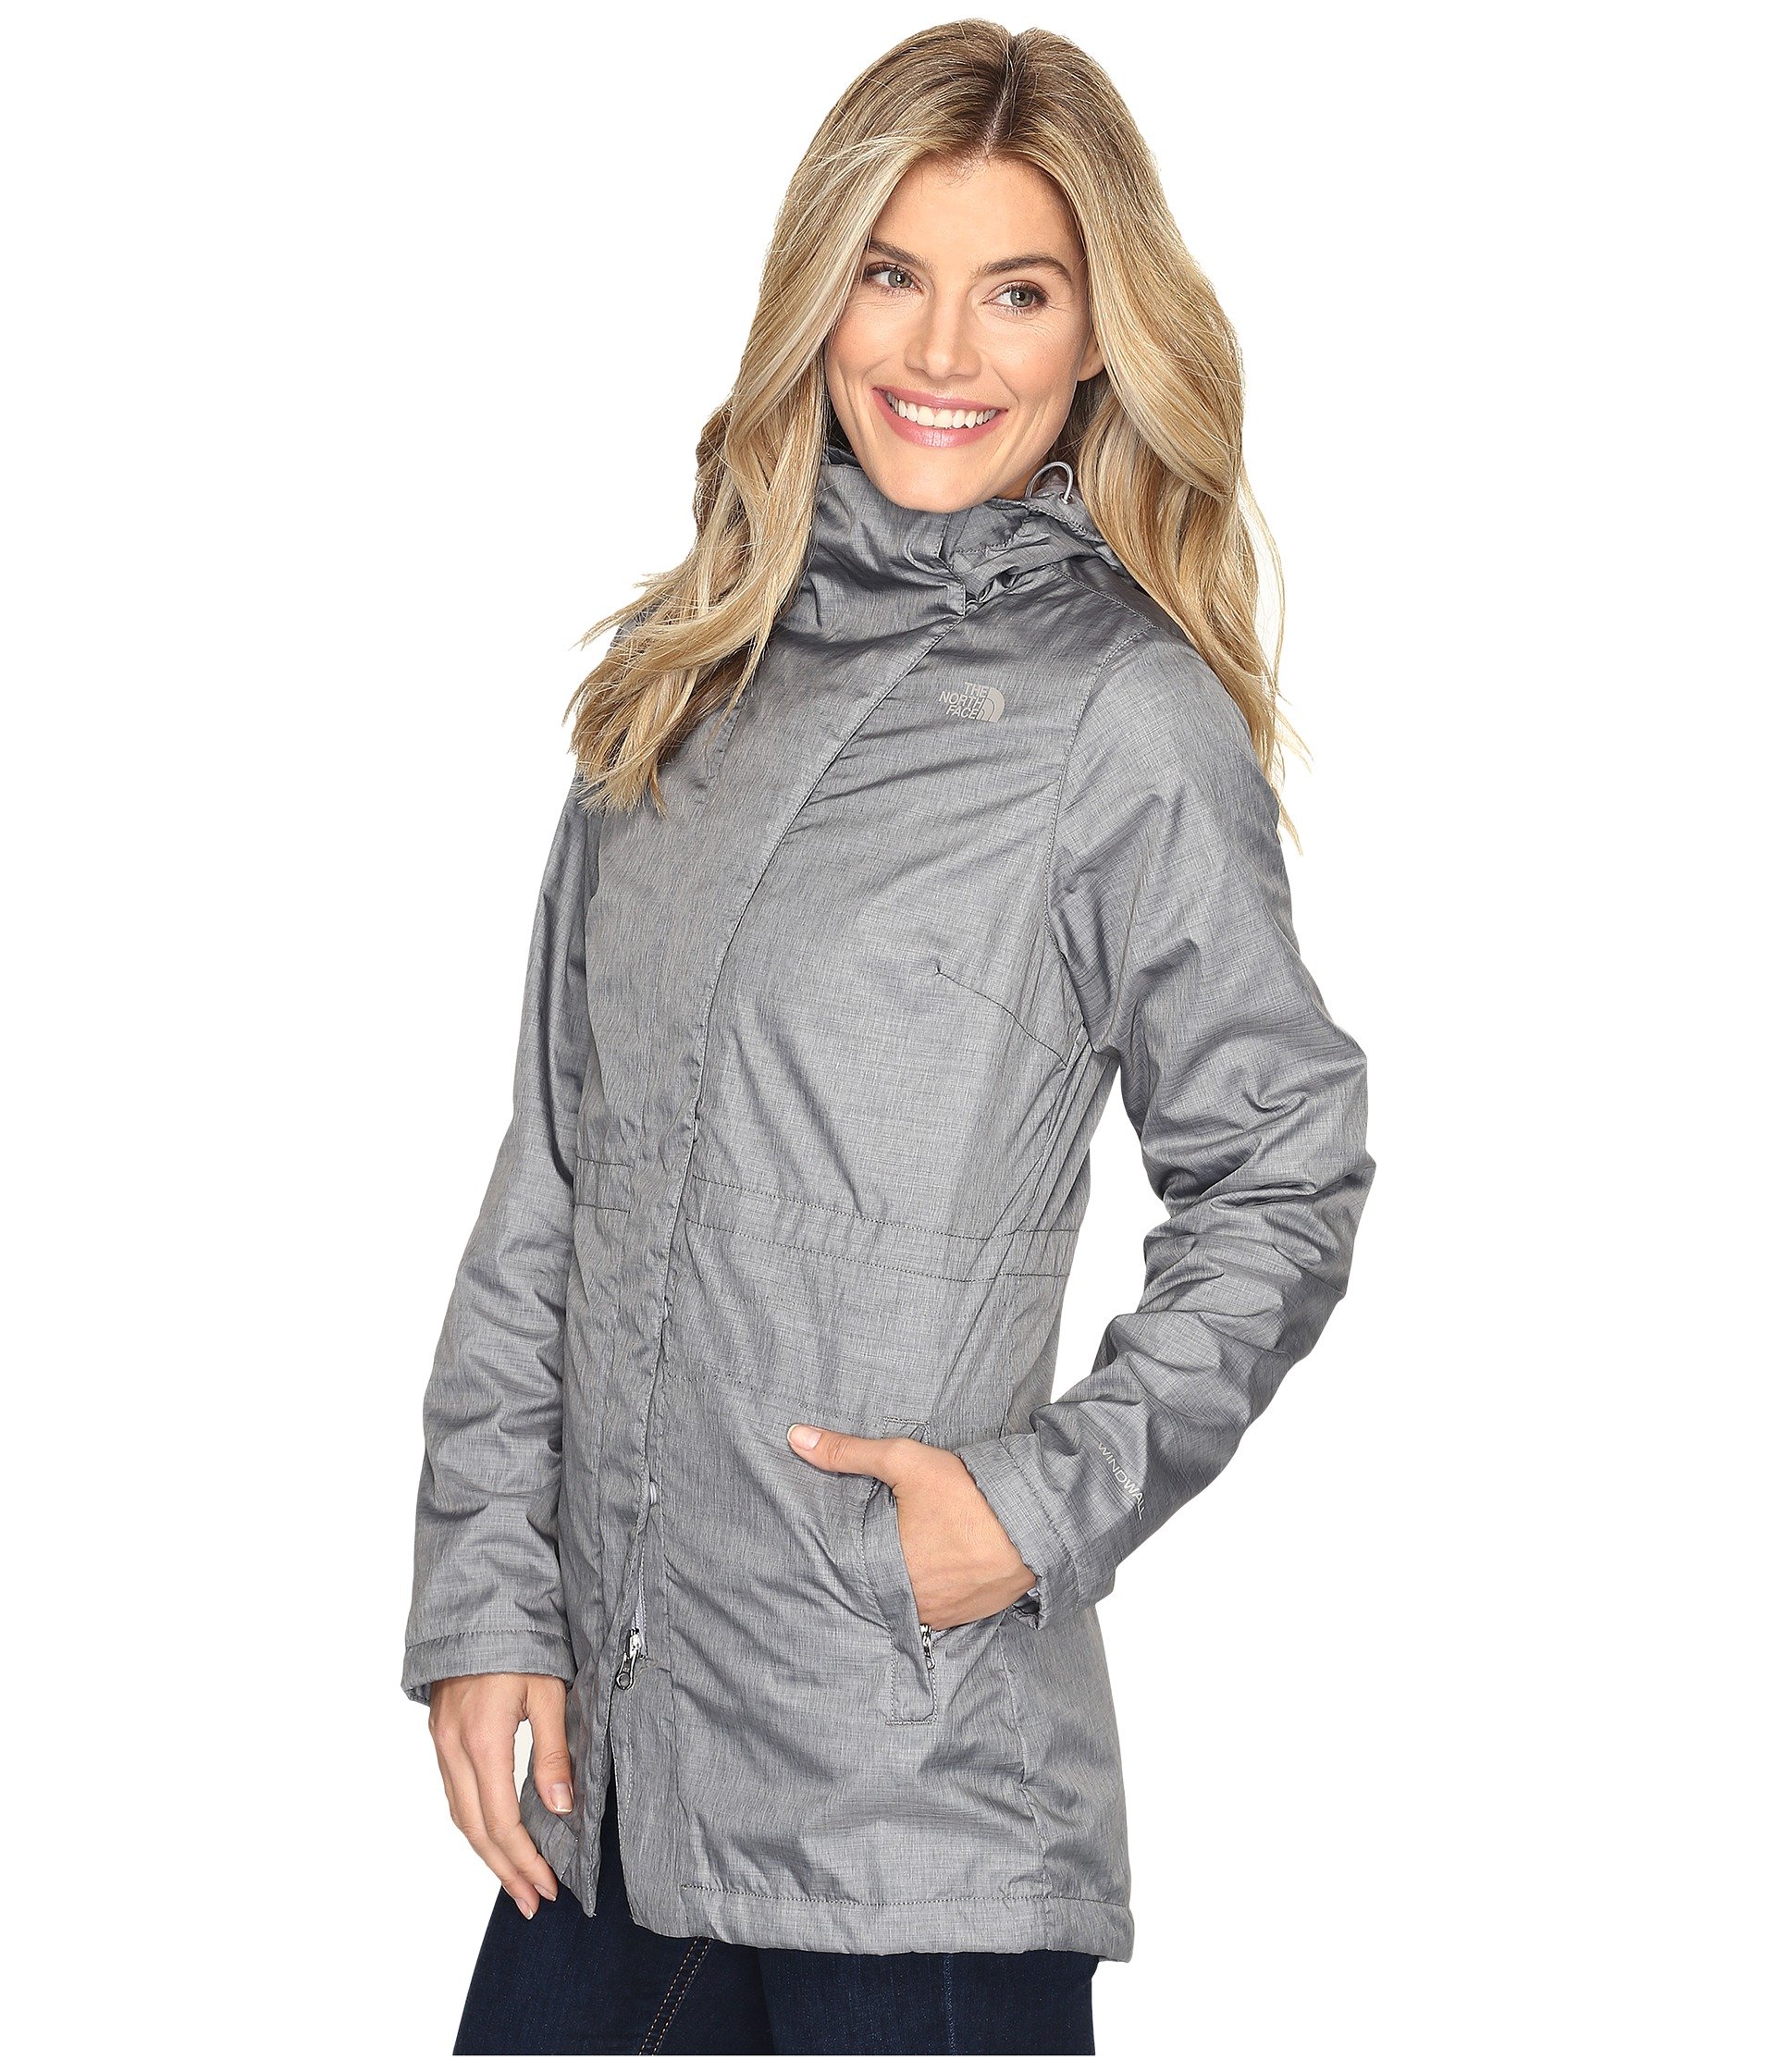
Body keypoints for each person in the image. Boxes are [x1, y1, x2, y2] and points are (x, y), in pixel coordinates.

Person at [404, 19, 1375, 2057]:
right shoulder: (680, 683)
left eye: (1018, 290)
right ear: (817, 295)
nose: (944, 348)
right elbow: (552, 1180)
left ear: (1098, 337)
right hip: (611, 1808)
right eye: (892, 273)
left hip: (916, 1822)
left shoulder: (1121, 717)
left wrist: (1033, 1506)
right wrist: (487, 1603)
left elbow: (1283, 1169)